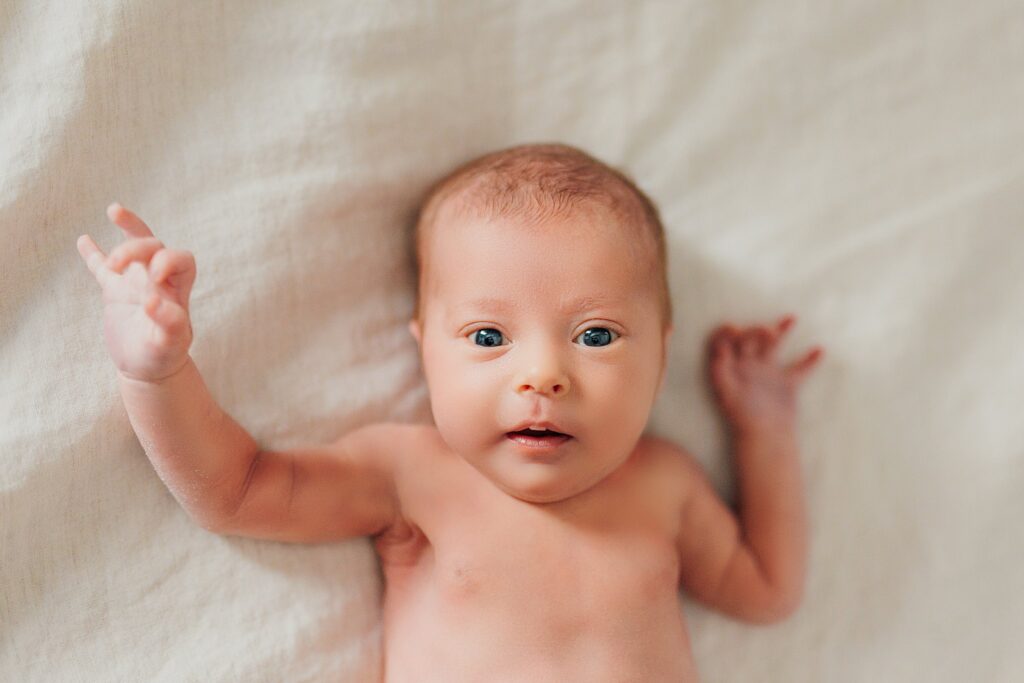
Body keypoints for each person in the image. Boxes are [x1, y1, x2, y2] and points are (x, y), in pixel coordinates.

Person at [76, 142, 824, 681]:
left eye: (595, 334)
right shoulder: (413, 473)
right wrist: (157, 371)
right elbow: (233, 489)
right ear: (426, 350)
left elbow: (766, 589)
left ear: (661, 357)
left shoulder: (666, 483)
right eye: (489, 336)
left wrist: (762, 431)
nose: (543, 374)